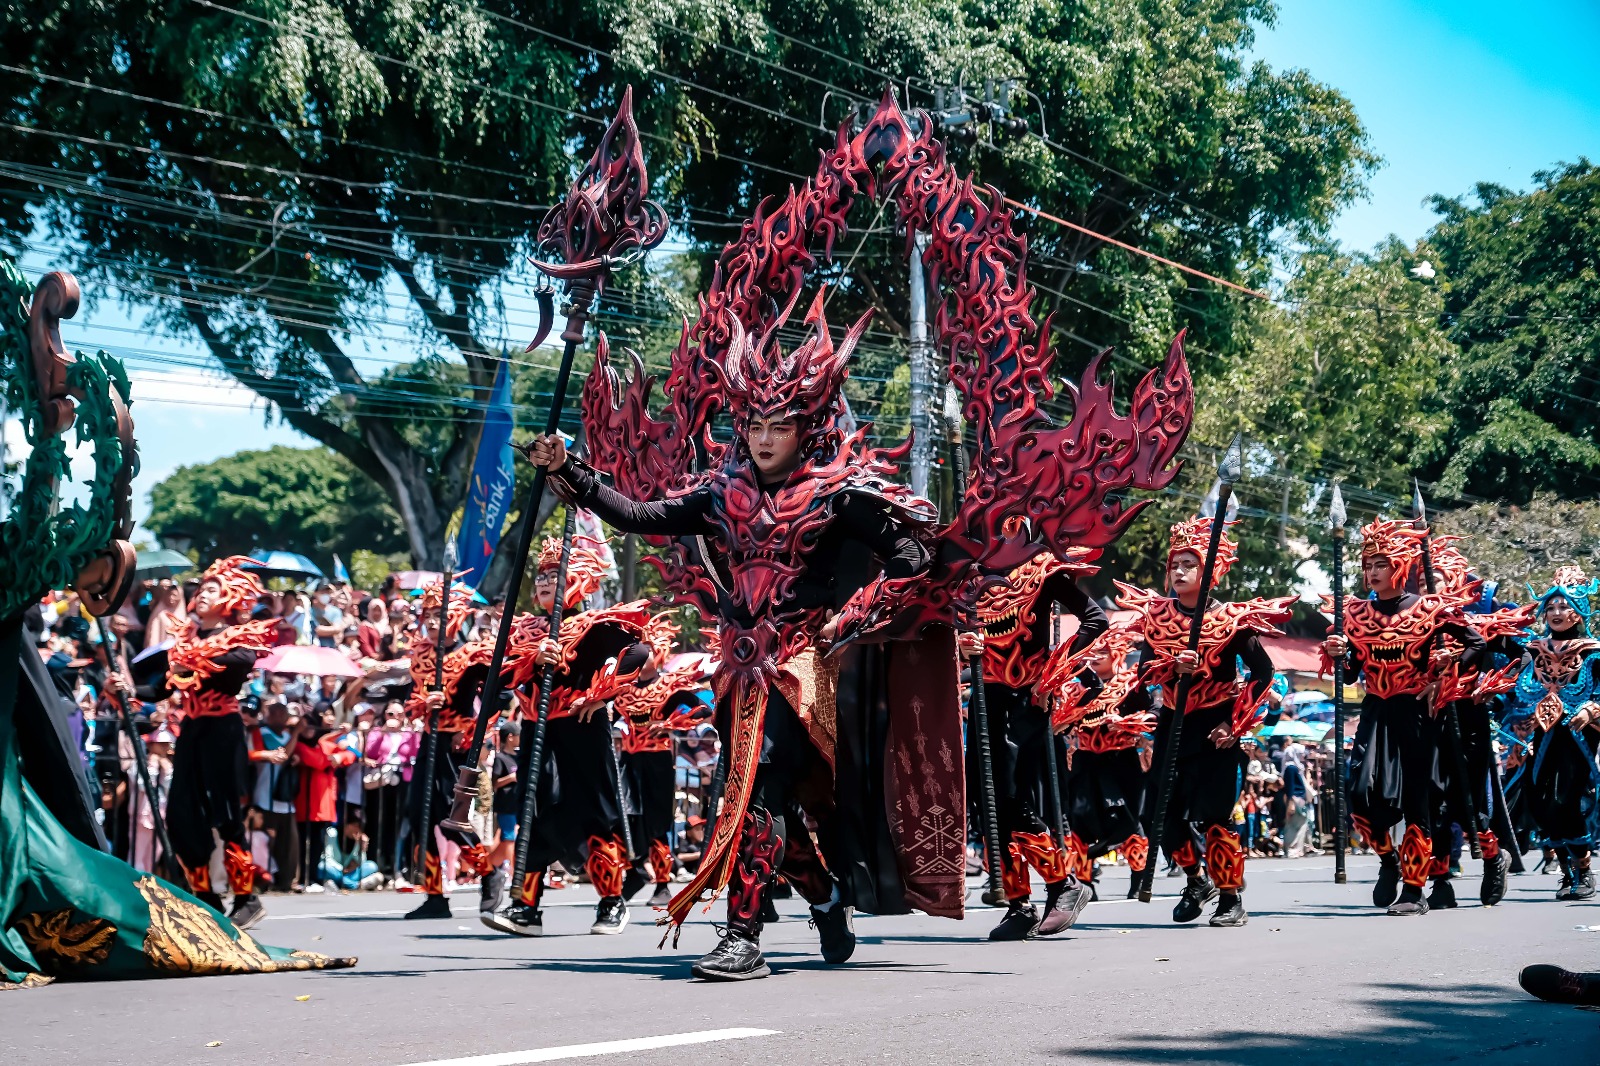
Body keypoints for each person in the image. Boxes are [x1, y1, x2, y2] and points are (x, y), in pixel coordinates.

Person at [526, 300, 969, 981]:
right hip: (737, 671)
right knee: (752, 799)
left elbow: (911, 558)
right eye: (756, 423)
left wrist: (850, 618)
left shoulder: (837, 494)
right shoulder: (720, 491)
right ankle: (821, 896)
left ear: (806, 426)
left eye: (780, 424)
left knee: (760, 786)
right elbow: (641, 516)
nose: (765, 437)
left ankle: (743, 935)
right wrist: (571, 471)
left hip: (804, 670)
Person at [1115, 517, 1294, 928]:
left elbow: (1263, 673)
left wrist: (1236, 724)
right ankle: (1196, 881)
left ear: (1209, 570)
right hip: (1174, 724)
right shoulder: (1156, 617)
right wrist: (1170, 666)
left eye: (1189, 565)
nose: (1178, 572)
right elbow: (1142, 676)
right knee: (1162, 814)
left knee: (1216, 815)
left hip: (1218, 728)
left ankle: (1230, 898)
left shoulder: (1231, 620)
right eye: (1174, 564)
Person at [480, 532, 652, 936]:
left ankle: (612, 902)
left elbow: (639, 652)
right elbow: (498, 678)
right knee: (533, 813)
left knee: (595, 814)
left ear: (577, 578)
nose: (543, 581)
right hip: (537, 730)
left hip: (583, 728)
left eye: (554, 574)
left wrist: (602, 694)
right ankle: (526, 908)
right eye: (540, 575)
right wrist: (530, 661)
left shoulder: (595, 625)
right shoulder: (525, 631)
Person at [1321, 519, 1487, 916]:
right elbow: (1353, 671)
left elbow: (1477, 644)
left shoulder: (1430, 609)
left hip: (1417, 711)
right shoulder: (1355, 614)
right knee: (1358, 793)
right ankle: (1388, 860)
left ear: (1399, 566)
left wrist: (1448, 669)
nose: (1372, 572)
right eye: (1368, 565)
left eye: (1380, 563)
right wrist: (1338, 652)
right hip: (1376, 709)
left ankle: (1415, 890)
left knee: (1418, 800)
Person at [970, 548, 1107, 940]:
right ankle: (1020, 905)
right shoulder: (969, 571)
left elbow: (1094, 620)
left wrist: (1052, 674)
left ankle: (1064, 883)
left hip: (1026, 701)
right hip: (984, 701)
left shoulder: (1044, 570)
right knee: (988, 802)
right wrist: (962, 645)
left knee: (1011, 799)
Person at [161, 556, 281, 927]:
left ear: (229, 596)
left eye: (212, 588)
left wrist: (192, 662)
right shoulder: (185, 640)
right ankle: (206, 896)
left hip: (223, 729)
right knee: (180, 814)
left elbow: (239, 664)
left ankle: (246, 897)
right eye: (201, 588)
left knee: (226, 815)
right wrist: (124, 692)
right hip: (192, 730)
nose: (203, 594)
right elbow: (157, 685)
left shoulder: (236, 636)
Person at [1501, 567, 1600, 900]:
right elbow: (1521, 692)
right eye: (1552, 607)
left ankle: (1583, 869)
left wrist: (1590, 710)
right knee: (1541, 800)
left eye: (1564, 606)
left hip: (1580, 736)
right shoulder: (1535, 649)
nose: (1556, 613)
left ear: (1579, 609)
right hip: (1542, 735)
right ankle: (1568, 871)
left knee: (1568, 798)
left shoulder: (1592, 650)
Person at [1040, 619, 1154, 899]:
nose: (1096, 657)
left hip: (1121, 761)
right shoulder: (1080, 687)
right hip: (1086, 760)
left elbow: (1154, 714)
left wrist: (1128, 722)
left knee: (1127, 821)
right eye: (1093, 652)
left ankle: (1139, 875)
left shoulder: (1133, 684)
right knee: (1079, 820)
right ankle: (1084, 881)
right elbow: (1061, 720)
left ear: (1117, 652)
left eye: (1102, 652)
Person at [613, 615, 714, 908]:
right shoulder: (622, 688)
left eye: (649, 648)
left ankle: (662, 882)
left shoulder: (671, 685)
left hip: (658, 760)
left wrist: (672, 723)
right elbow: (611, 712)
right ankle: (634, 872)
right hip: (629, 761)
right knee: (626, 819)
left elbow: (703, 709)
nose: (644, 655)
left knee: (659, 822)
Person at [247, 700, 300, 894]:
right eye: (274, 712)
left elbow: (288, 754)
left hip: (284, 800)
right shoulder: (263, 733)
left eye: (282, 712)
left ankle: (285, 881)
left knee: (288, 844)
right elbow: (283, 753)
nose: (279, 716)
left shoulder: (286, 735)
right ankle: (262, 881)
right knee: (266, 842)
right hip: (264, 797)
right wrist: (296, 733)